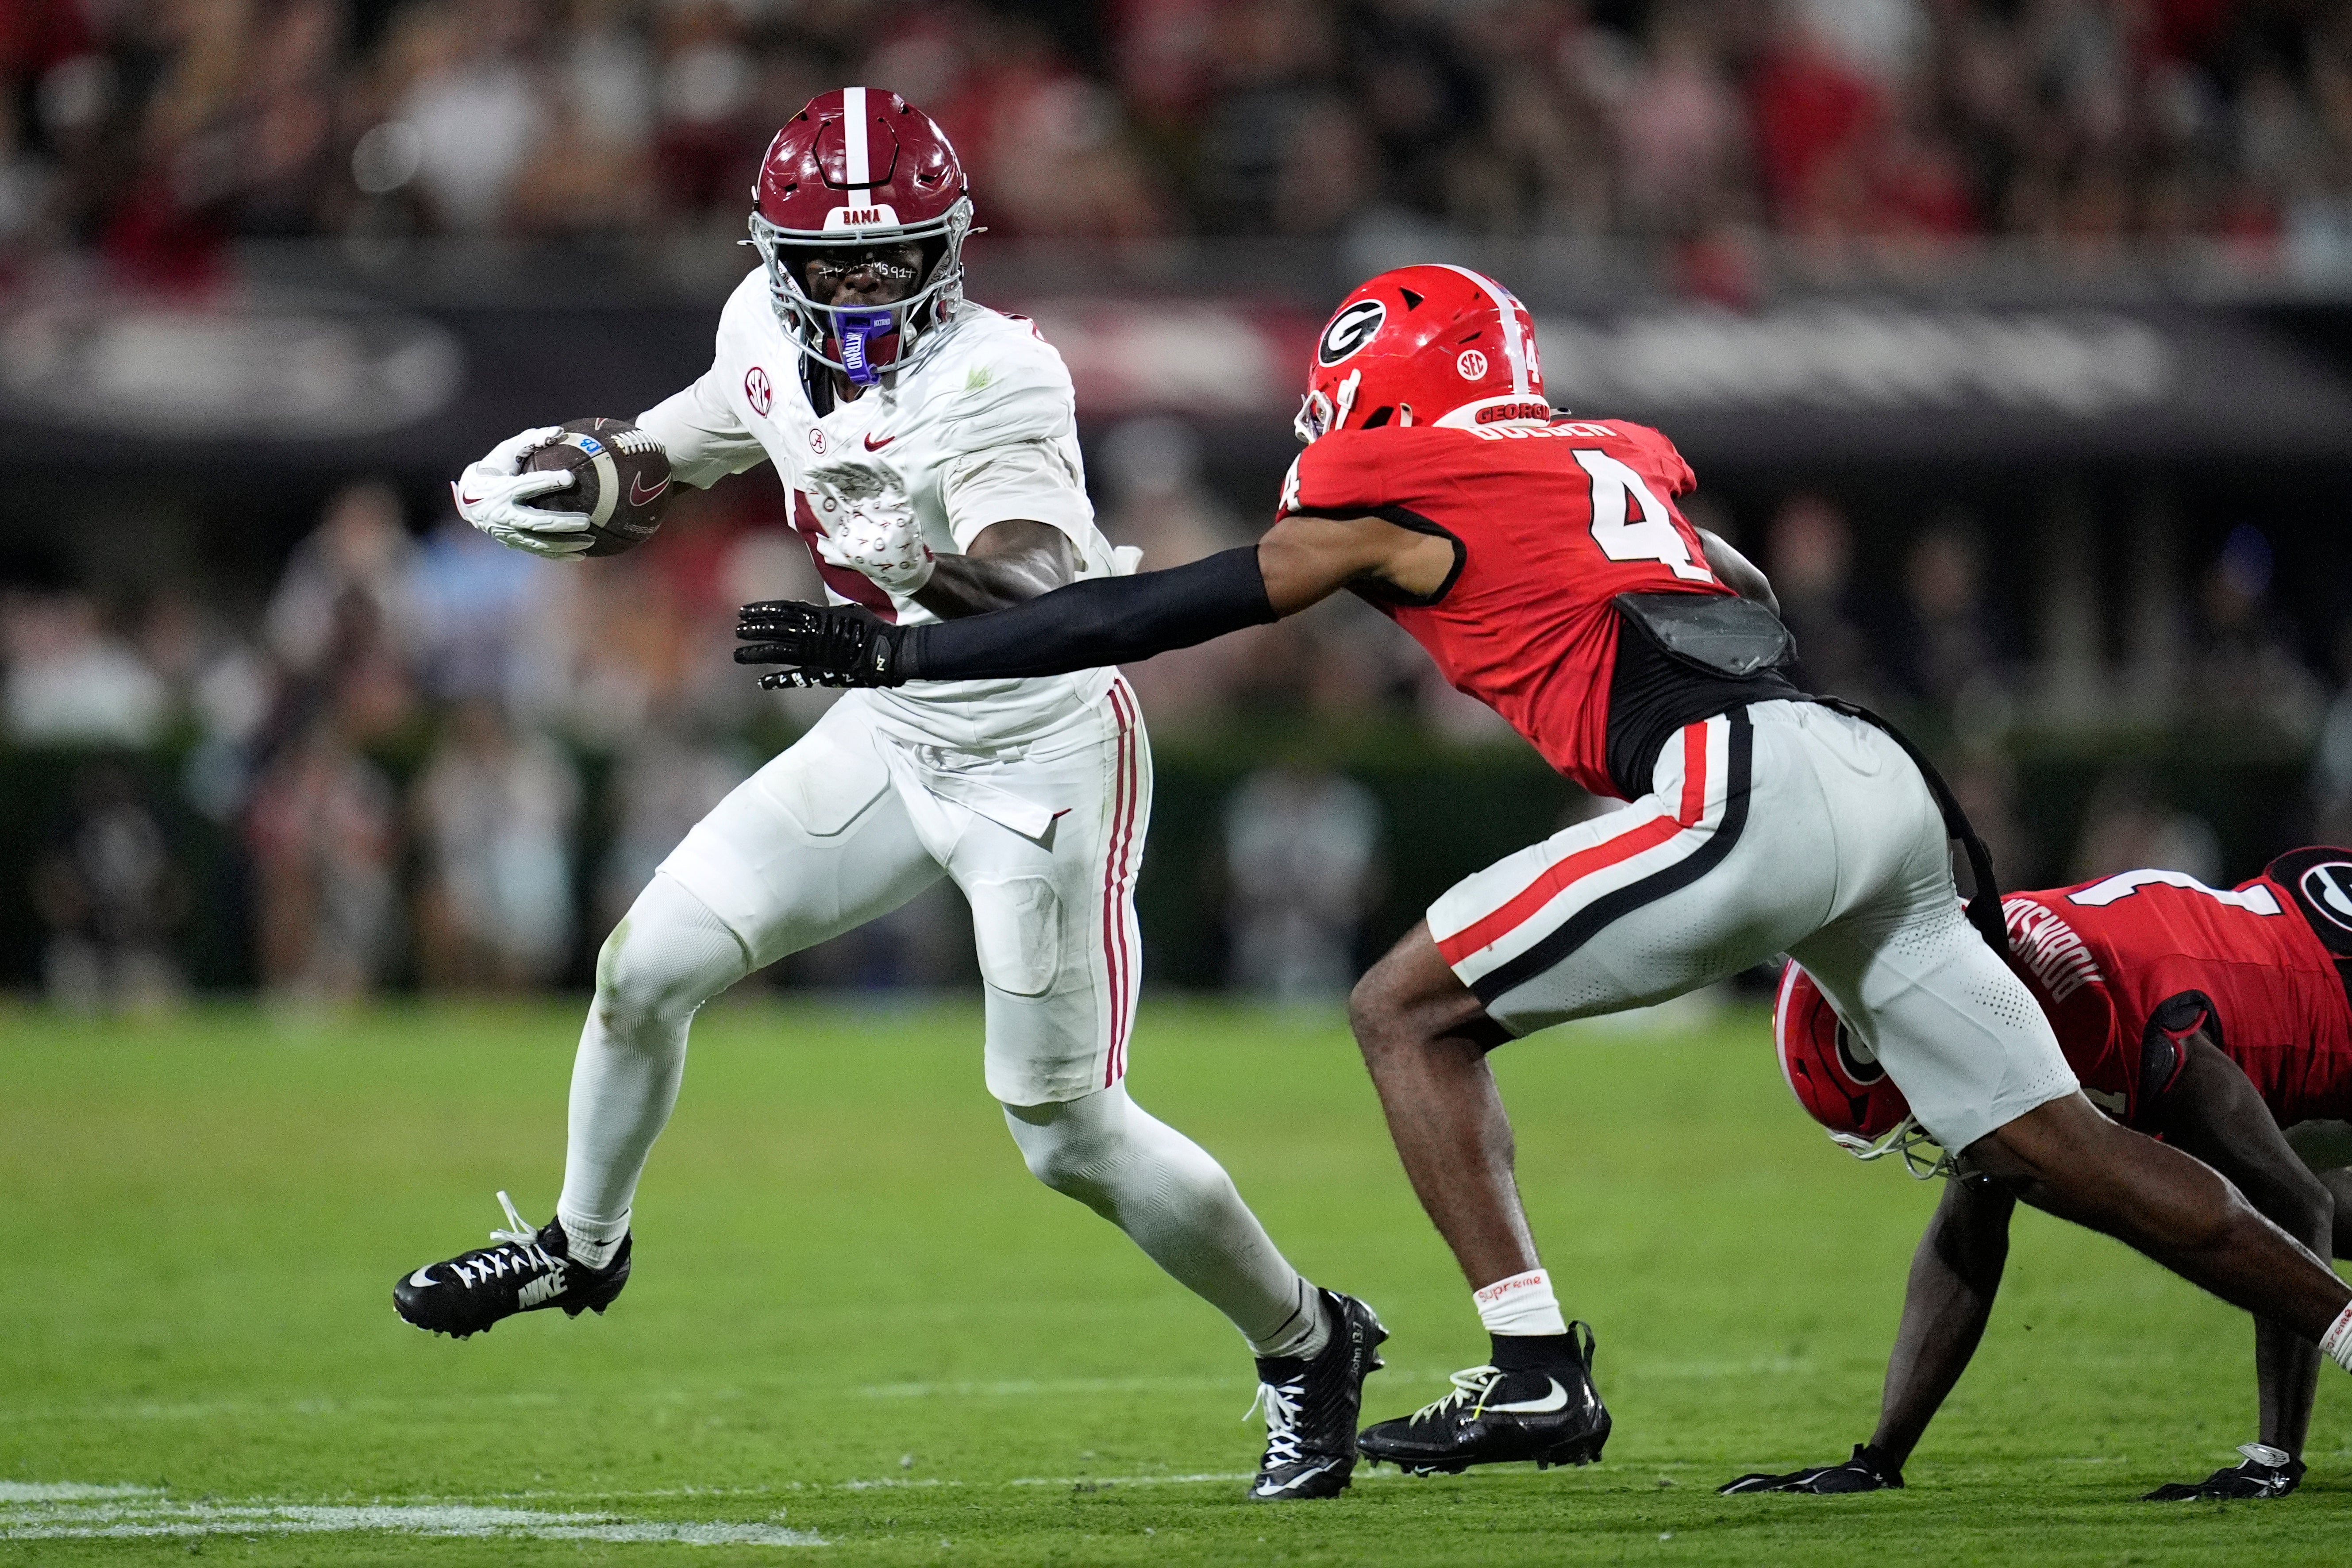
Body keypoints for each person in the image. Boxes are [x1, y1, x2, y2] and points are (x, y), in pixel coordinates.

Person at [735, 262, 2352, 1478]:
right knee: (2063, 1149)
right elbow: (1731, 584)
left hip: (1740, 781)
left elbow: (1158, 615)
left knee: (1404, 1009)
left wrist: (899, 654)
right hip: (1870, 773)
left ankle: (1531, 1365)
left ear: (1392, 377)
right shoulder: (1610, 450)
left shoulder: (1390, 474)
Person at [397, 89, 1383, 1505]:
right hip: (891, 732)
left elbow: (1050, 591)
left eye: (895, 254)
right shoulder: (757, 327)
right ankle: (581, 1241)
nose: (863, 285)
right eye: (833, 262)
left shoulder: (1001, 377)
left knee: (1066, 1135)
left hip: (1038, 758)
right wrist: (590, 469)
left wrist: (913, 552)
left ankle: (1305, 1338)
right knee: (641, 970)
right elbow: (684, 439)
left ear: (953, 247)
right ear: (772, 257)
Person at [1738, 846, 2352, 1501]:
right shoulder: (1991, 992)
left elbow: (2294, 1208)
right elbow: (1966, 1243)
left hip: (2331, 978)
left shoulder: (2125, 1023)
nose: (1923, 1127)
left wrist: (2276, 1458)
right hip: (2284, 939)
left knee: (2268, 1205)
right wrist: (1878, 1458)